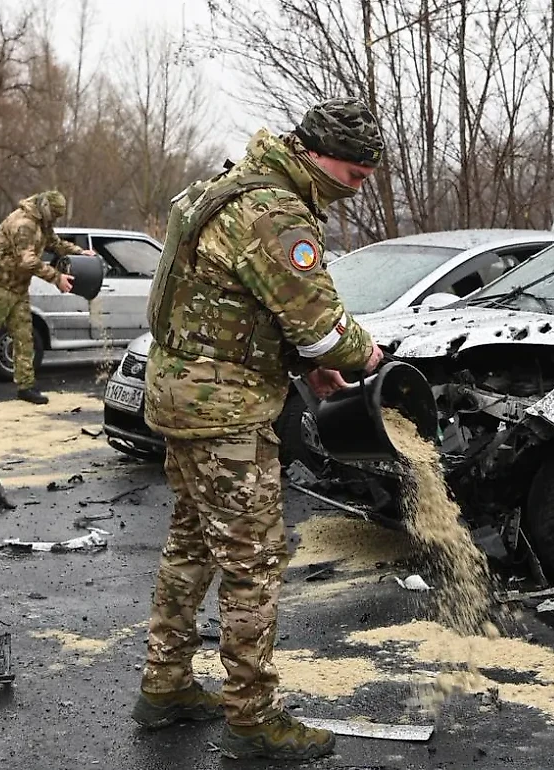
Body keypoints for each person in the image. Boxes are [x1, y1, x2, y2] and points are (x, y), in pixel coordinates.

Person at [130, 97, 387, 760]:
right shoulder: (275, 211)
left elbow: (235, 303)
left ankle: (166, 686)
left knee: (191, 546)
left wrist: (309, 371)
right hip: (226, 416)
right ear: (314, 150)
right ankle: (253, 720)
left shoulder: (226, 186)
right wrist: (360, 356)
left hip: (182, 398)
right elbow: (320, 323)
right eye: (353, 174)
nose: (354, 188)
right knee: (255, 562)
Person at [0, 190, 95, 407]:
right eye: (54, 216)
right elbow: (27, 261)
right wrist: (56, 278)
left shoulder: (42, 223)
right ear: (46, 208)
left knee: (24, 336)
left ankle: (25, 387)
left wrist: (80, 251)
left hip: (18, 288)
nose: (54, 221)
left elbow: (55, 244)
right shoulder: (24, 224)